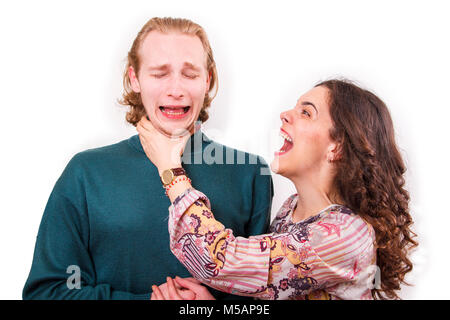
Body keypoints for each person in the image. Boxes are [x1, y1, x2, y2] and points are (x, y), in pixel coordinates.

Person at [22, 17, 273, 300]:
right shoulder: (85, 174)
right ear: (134, 79)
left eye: (189, 74)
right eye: (159, 73)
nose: (176, 89)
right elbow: (47, 292)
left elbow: (261, 295)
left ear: (208, 80)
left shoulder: (250, 174)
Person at [138, 79, 418, 300]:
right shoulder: (291, 209)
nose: (285, 115)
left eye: (306, 112)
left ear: (338, 146)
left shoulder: (346, 236)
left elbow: (219, 259)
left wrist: (170, 169)